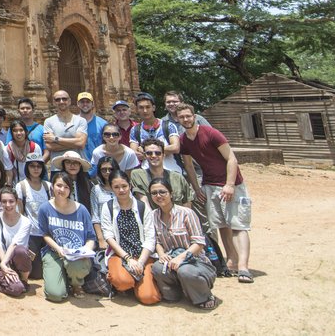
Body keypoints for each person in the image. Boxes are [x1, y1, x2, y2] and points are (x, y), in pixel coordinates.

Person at [177, 103, 253, 283]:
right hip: (209, 184)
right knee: (222, 225)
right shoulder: (184, 140)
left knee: (238, 225)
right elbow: (188, 165)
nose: (186, 119)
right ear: (178, 120)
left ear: (194, 116)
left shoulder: (211, 133)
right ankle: (231, 261)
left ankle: (243, 267)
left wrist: (229, 184)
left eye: (188, 116)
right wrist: (197, 188)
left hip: (231, 184)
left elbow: (231, 158)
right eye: (182, 117)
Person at [150, 177, 218, 309]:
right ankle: (175, 295)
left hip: (196, 262)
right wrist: (161, 254)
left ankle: (204, 296)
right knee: (157, 268)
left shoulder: (187, 213)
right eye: (154, 193)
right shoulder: (153, 216)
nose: (158, 196)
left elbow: (199, 243)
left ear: (171, 193)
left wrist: (181, 258)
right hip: (171, 261)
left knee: (185, 271)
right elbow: (156, 240)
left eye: (162, 192)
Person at [100, 170, 160, 305]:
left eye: (124, 186)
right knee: (123, 282)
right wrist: (127, 258)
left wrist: (141, 262)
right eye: (116, 187)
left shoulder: (142, 206)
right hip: (120, 254)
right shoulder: (108, 207)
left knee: (149, 297)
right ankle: (129, 281)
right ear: (111, 188)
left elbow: (150, 237)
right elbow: (109, 236)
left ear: (130, 185)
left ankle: (138, 283)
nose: (121, 190)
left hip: (142, 254)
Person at [36, 172, 96, 302]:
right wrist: (58, 248)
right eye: (59, 185)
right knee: (55, 295)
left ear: (70, 189)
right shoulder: (44, 208)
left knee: (76, 267)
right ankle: (62, 280)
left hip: (77, 256)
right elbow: (45, 234)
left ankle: (76, 283)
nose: (62, 190)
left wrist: (85, 250)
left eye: (66, 187)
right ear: (52, 187)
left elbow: (91, 237)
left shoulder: (81, 210)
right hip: (54, 253)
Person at [0, 187, 32, 297]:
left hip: (18, 260)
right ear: (0, 202)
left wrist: (4, 265)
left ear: (17, 202)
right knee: (17, 289)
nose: (8, 205)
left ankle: (24, 280)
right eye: (4, 201)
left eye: (11, 201)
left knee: (21, 250)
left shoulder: (26, 222)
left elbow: (14, 244)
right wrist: (4, 265)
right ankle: (4, 280)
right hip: (1, 259)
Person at [15, 152, 51, 279]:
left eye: (39, 166)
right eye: (32, 166)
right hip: (31, 234)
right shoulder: (21, 186)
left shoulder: (48, 186)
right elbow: (20, 212)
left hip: (47, 233)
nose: (36, 169)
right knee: (36, 275)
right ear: (27, 167)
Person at [130, 138, 193, 209]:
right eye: (149, 153)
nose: (153, 156)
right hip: (151, 217)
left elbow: (187, 204)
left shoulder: (178, 178)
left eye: (158, 153)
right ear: (144, 156)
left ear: (163, 155)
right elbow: (143, 200)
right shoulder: (138, 175)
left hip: (177, 217)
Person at [128, 92, 181, 171]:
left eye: (148, 107)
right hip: (147, 172)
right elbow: (134, 153)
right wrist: (165, 150)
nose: (145, 110)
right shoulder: (135, 130)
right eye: (141, 108)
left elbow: (176, 148)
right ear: (137, 109)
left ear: (153, 108)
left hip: (171, 170)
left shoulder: (168, 126)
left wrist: (146, 151)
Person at [43, 90, 88, 162]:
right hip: (57, 167)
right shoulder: (48, 121)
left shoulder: (81, 120)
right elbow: (50, 146)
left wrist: (55, 139)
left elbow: (81, 143)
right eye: (58, 100)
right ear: (54, 102)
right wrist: (74, 143)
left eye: (64, 99)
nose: (61, 101)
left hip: (77, 164)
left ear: (69, 101)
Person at [90, 156, 120, 249]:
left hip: (121, 231)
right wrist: (101, 239)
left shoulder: (122, 187)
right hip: (104, 232)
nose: (107, 172)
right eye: (104, 169)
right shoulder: (96, 190)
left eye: (110, 169)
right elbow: (95, 217)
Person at [6, 119, 42, 183]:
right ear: (11, 133)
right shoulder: (8, 149)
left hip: (32, 183)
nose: (18, 133)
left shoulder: (34, 147)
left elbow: (39, 167)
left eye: (21, 130)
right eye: (15, 131)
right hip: (15, 184)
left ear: (26, 132)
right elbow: (8, 171)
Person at [76, 91, 107, 162]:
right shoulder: (72, 123)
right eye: (82, 102)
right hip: (78, 165)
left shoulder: (103, 124)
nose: (85, 104)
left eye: (88, 102)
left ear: (92, 104)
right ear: (78, 104)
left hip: (97, 165)